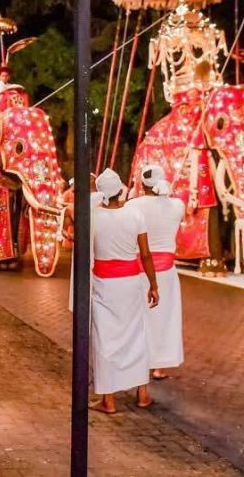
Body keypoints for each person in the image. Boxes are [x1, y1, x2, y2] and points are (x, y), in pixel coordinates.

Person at [89, 169, 160, 414]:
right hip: (131, 283)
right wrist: (154, 285)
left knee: (105, 339)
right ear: (121, 190)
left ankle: (108, 400)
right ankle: (143, 394)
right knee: (136, 335)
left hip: (104, 284)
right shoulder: (135, 214)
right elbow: (146, 254)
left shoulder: (93, 216)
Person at [128, 165, 185, 380]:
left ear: (142, 183)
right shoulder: (178, 205)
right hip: (167, 271)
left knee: (139, 317)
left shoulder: (133, 205)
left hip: (138, 269)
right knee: (165, 318)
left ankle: (139, 361)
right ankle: (160, 366)